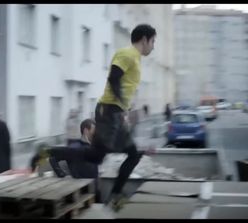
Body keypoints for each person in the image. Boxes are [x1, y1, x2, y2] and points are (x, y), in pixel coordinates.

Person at [30, 24, 157, 212]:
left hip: (115, 112)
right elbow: (114, 78)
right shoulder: (127, 54)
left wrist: (125, 110)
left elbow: (122, 86)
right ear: (144, 39)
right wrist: (122, 106)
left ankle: (115, 196)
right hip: (109, 111)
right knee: (96, 156)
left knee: (131, 154)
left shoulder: (135, 59)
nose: (153, 46)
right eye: (153, 41)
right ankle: (47, 152)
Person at [49, 119, 101, 202]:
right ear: (86, 131)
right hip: (82, 194)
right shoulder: (74, 148)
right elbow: (52, 158)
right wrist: (62, 174)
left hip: (95, 190)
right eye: (94, 131)